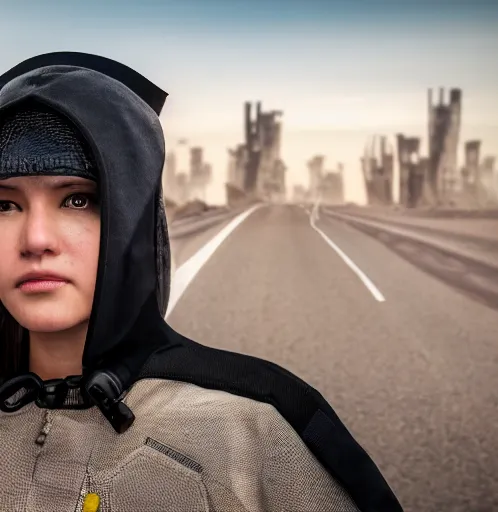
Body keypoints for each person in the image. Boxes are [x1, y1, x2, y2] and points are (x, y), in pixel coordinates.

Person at [0, 52, 403, 512]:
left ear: (133, 221)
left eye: (77, 199)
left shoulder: (254, 429)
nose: (35, 240)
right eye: (4, 205)